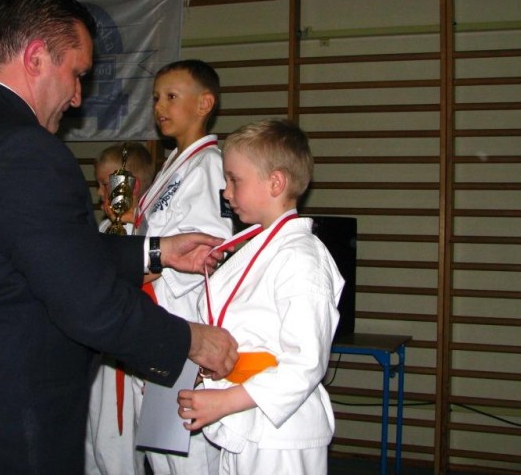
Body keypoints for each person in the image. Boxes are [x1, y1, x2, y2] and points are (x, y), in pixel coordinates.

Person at [0, 0, 238, 475]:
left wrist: (155, 252)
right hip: (1, 429)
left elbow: (39, 252)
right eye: (77, 74)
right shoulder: (23, 149)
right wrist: (190, 341)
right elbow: (87, 301)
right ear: (37, 58)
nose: (78, 96)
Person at [177, 119, 345, 475]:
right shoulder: (258, 248)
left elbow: (305, 362)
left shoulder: (302, 257)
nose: (226, 192)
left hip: (281, 432)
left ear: (276, 183)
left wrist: (225, 401)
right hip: (247, 419)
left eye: (234, 180)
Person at [132, 59, 234, 475]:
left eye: (171, 97)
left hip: (181, 324)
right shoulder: (174, 165)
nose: (160, 106)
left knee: (187, 456)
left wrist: (145, 269)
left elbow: (207, 249)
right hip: (154, 320)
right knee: (162, 452)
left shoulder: (209, 165)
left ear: (204, 104)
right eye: (156, 98)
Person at [86, 142, 155, 475]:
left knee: (115, 449)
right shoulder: (101, 229)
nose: (101, 192)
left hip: (123, 363)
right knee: (91, 446)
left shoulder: (145, 232)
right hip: (96, 356)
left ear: (130, 186)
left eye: (106, 184)